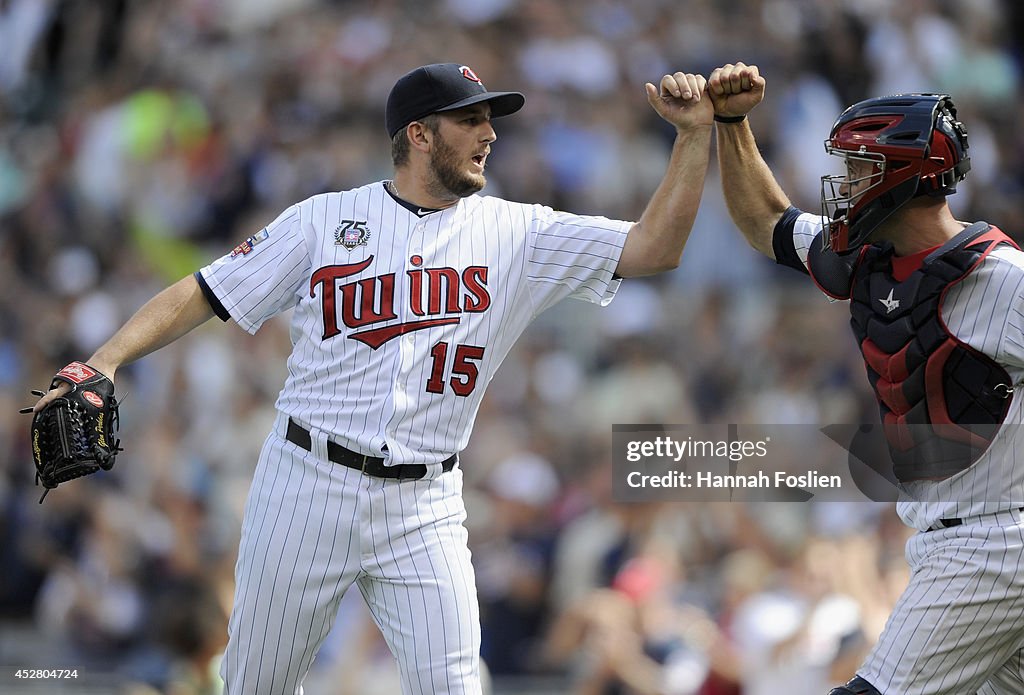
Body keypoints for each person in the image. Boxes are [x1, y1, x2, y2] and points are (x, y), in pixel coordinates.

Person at [31, 62, 714, 694]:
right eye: (470, 120)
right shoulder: (323, 221)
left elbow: (656, 247)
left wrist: (693, 138)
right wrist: (105, 359)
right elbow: (207, 291)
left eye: (489, 119)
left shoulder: (517, 231)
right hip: (306, 480)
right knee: (256, 684)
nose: (488, 133)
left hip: (426, 501)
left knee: (455, 684)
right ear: (419, 134)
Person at [708, 61, 1024, 694]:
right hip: (952, 540)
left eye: (857, 170)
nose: (844, 184)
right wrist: (732, 122)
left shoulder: (1005, 279)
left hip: (994, 542)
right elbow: (766, 223)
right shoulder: (866, 262)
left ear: (900, 175)